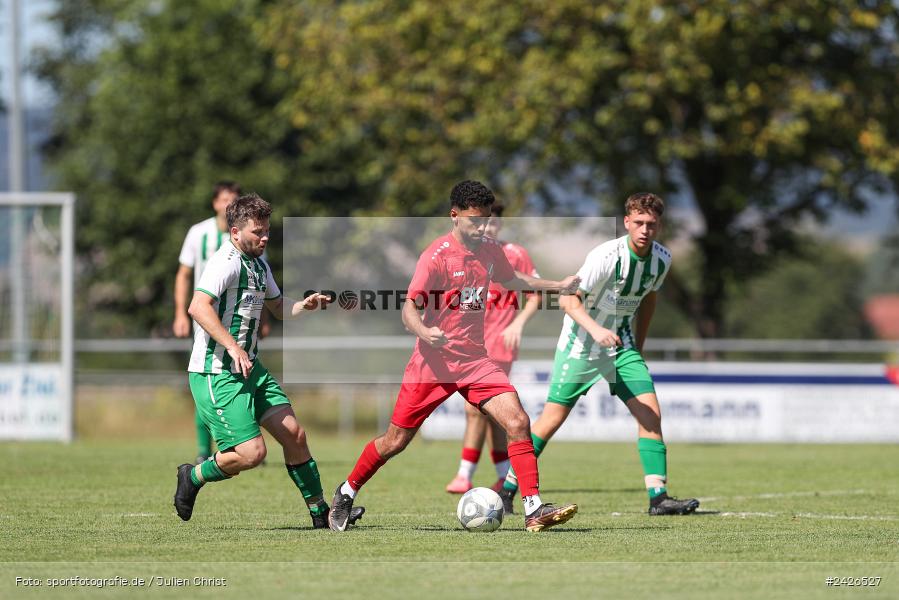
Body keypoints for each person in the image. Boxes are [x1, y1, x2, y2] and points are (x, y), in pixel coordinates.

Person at [328, 180, 580, 533]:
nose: (481, 228)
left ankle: (533, 509)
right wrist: (424, 331)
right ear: (454, 215)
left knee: (518, 422)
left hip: (476, 361)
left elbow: (514, 279)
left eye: (486, 220)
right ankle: (346, 490)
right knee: (395, 441)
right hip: (433, 364)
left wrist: (556, 286)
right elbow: (409, 308)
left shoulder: (490, 249)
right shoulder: (436, 257)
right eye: (474, 221)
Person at [497, 192, 700, 516]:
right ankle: (507, 491)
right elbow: (567, 300)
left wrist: (639, 347)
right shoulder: (606, 256)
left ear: (659, 225)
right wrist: (596, 330)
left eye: (651, 224)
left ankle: (658, 497)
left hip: (621, 347)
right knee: (551, 420)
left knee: (650, 414)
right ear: (627, 222)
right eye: (639, 223)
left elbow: (648, 300)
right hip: (581, 346)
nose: (645, 229)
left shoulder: (662, 259)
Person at [173, 193, 363, 528]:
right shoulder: (226, 262)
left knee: (294, 434)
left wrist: (305, 305)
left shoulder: (259, 264)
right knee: (252, 454)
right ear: (235, 232)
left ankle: (321, 513)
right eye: (256, 232)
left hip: (250, 370)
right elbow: (197, 307)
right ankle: (194, 475)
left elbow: (277, 307)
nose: (264, 238)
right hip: (216, 373)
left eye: (266, 232)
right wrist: (233, 346)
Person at [445, 203, 541, 494]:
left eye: (494, 223)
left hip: (500, 345)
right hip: (472, 343)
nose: (489, 227)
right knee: (493, 412)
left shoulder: (514, 254)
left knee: (476, 408)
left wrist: (517, 324)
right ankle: (502, 475)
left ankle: (465, 474)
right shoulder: (472, 255)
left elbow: (535, 294)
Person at [174, 181, 271, 464]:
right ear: (215, 203)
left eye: (234, 199)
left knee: (243, 374)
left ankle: (244, 440)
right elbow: (184, 275)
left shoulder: (253, 237)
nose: (229, 203)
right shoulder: (199, 234)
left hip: (241, 317)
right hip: (209, 315)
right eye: (225, 199)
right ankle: (206, 450)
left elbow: (261, 285)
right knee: (210, 373)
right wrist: (180, 312)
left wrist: (263, 316)